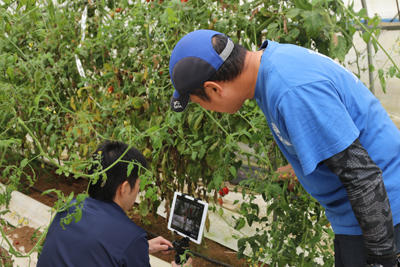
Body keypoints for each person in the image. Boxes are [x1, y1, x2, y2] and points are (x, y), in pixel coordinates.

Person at [168, 29, 400, 267]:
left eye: (199, 103)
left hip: (382, 215)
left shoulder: (291, 90)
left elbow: (363, 176)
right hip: (363, 215)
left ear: (214, 88)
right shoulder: (272, 66)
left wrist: (382, 259)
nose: (207, 111)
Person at [37, 141, 192, 267]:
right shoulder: (131, 237)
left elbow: (87, 249)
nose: (138, 191)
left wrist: (139, 249)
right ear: (124, 188)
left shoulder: (70, 207)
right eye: (138, 185)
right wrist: (132, 247)